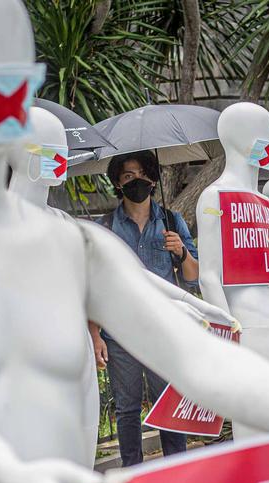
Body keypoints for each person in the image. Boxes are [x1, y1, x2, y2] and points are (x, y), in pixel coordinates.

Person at [94, 150, 198, 465]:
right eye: (127, 176)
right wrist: (95, 334)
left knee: (168, 401)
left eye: (140, 175)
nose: (135, 181)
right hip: (120, 333)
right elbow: (94, 285)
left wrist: (181, 252)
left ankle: (176, 467)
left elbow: (193, 277)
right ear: (117, 183)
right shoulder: (107, 226)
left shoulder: (171, 221)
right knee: (125, 409)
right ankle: (132, 474)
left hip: (163, 328)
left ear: (152, 179)